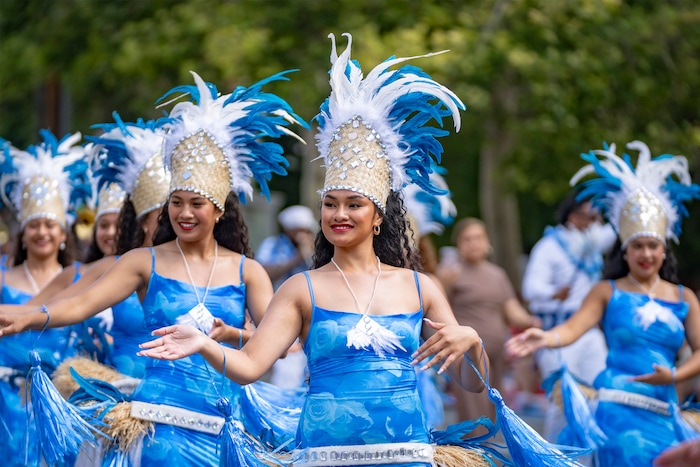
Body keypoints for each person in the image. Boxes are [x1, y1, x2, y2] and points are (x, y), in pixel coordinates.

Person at [137, 32, 512, 467]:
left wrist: (472, 341)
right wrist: (200, 342)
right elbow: (250, 366)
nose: (340, 214)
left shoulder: (419, 288)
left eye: (354, 205)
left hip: (406, 455)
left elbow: (470, 383)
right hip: (324, 456)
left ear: (378, 217)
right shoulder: (301, 289)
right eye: (330, 204)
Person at [0, 71, 306, 466]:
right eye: (176, 202)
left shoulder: (249, 272)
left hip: (225, 433)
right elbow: (81, 304)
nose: (184, 212)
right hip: (160, 430)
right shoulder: (144, 261)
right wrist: (28, 318)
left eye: (196, 203)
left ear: (218, 209)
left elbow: (282, 346)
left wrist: (232, 333)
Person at [506, 140, 700, 466]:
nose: (646, 254)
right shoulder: (606, 291)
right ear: (625, 250)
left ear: (664, 250)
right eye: (638, 246)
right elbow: (573, 328)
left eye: (653, 246)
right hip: (616, 411)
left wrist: (675, 375)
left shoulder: (685, 298)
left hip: (664, 413)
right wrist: (546, 337)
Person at [0, 130, 90, 466]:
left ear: (63, 232)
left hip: (63, 404)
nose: (42, 233)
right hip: (7, 406)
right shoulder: (2, 278)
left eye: (50, 225)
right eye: (34, 225)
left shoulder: (81, 279)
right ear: (23, 232)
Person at [521, 190, 615, 441]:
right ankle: (557, 458)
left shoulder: (592, 246)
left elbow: (616, 230)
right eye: (588, 217)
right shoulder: (549, 247)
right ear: (572, 216)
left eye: (596, 218)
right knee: (564, 402)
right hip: (556, 330)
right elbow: (530, 289)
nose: (593, 223)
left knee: (599, 395)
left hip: (590, 331)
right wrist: (553, 292)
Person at [437, 217, 540, 430]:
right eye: (467, 239)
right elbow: (438, 308)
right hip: (468, 357)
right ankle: (471, 458)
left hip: (496, 356)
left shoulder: (497, 274)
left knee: (493, 410)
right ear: (459, 244)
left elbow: (511, 310)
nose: (474, 243)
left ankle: (491, 458)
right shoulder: (452, 274)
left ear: (487, 242)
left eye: (478, 237)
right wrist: (444, 284)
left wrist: (531, 321)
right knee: (473, 414)